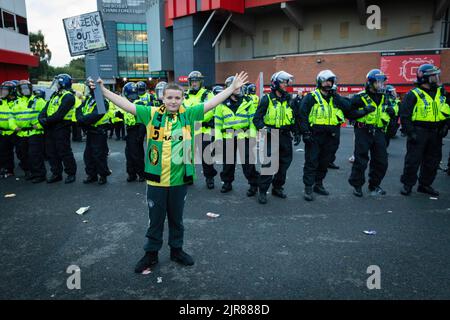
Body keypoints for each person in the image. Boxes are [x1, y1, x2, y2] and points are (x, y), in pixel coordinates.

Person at [89, 71, 248, 272]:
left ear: (182, 99)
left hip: (179, 180)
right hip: (156, 181)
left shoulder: (189, 114)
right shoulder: (152, 113)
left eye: (177, 98)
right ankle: (151, 254)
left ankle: (176, 250)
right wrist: (103, 90)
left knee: (176, 220)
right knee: (155, 220)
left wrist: (231, 89)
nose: (173, 101)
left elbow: (212, 103)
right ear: (162, 98)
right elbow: (125, 105)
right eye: (169, 97)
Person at [299, 70, 351, 201]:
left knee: (324, 162)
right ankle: (308, 187)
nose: (328, 83)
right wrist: (305, 132)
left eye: (330, 81)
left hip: (331, 137)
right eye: (325, 81)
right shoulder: (311, 97)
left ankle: (319, 184)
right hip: (314, 135)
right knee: (311, 162)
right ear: (319, 82)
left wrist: (337, 96)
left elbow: (348, 107)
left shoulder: (335, 97)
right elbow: (302, 115)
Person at [399, 64, 450, 196]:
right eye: (434, 76)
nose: (437, 78)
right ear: (425, 78)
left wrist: (445, 126)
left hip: (435, 132)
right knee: (413, 160)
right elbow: (405, 116)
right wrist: (410, 132)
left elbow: (447, 110)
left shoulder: (441, 92)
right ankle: (407, 184)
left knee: (432, 160)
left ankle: (425, 185)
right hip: (419, 131)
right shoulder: (413, 94)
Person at [253, 71, 299, 204]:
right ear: (275, 83)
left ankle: (277, 188)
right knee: (269, 165)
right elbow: (257, 119)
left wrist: (297, 133)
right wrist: (264, 128)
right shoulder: (266, 99)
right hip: (270, 135)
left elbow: (294, 118)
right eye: (283, 82)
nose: (285, 85)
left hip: (285, 136)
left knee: (284, 164)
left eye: (286, 82)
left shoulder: (289, 99)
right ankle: (262, 191)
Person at [348, 69, 396, 197]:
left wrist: (392, 111)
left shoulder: (386, 96)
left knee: (381, 161)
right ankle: (357, 185)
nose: (381, 85)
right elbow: (349, 114)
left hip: (379, 131)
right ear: (370, 83)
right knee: (361, 159)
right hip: (363, 130)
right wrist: (364, 111)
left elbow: (394, 109)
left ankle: (374, 185)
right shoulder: (359, 97)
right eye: (378, 83)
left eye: (383, 82)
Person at [215, 76, 260, 196]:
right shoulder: (221, 104)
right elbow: (218, 125)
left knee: (248, 163)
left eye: (240, 87)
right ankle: (227, 183)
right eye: (235, 87)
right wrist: (219, 140)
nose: (238, 89)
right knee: (228, 163)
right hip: (228, 137)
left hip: (243, 136)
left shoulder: (248, 102)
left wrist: (252, 136)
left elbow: (252, 122)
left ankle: (253, 184)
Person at [38, 74, 77, 184]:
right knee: (51, 152)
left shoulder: (68, 96)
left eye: (57, 83)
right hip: (50, 127)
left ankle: (71, 173)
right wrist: (41, 118)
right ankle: (56, 173)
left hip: (62, 128)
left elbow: (60, 114)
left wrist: (46, 121)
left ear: (63, 84)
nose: (55, 85)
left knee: (64, 151)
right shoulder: (55, 95)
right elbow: (45, 109)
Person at [184, 71, 217, 189]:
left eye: (196, 81)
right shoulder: (185, 95)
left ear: (201, 82)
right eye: (192, 81)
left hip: (204, 130)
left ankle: (209, 177)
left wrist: (196, 119)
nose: (194, 84)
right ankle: (189, 176)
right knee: (187, 156)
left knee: (206, 156)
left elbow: (211, 110)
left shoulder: (208, 94)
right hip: (189, 130)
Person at [76, 79, 112, 185]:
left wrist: (82, 120)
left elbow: (96, 115)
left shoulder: (102, 101)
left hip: (99, 132)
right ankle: (92, 175)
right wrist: (81, 119)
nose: (88, 89)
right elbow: (79, 110)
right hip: (90, 132)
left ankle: (103, 175)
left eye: (89, 87)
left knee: (99, 155)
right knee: (88, 155)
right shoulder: (89, 100)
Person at [13, 81, 47, 182]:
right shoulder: (16, 102)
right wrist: (14, 126)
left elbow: (47, 115)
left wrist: (40, 125)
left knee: (35, 154)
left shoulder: (39, 101)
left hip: (35, 133)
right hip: (21, 133)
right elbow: (11, 116)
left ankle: (40, 175)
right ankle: (31, 172)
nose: (25, 90)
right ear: (19, 90)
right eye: (22, 89)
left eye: (26, 88)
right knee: (23, 155)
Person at [122, 82, 146, 182]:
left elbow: (142, 121)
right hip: (130, 131)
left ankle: (141, 174)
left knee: (137, 155)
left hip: (136, 130)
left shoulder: (139, 103)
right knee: (129, 154)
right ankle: (131, 174)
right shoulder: (128, 103)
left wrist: (140, 135)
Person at [0, 81, 18, 177]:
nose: (3, 92)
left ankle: (10, 169)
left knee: (16, 152)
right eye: (2, 90)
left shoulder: (16, 102)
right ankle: (4, 168)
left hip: (14, 131)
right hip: (2, 131)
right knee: (2, 151)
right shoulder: (1, 101)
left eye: (5, 90)